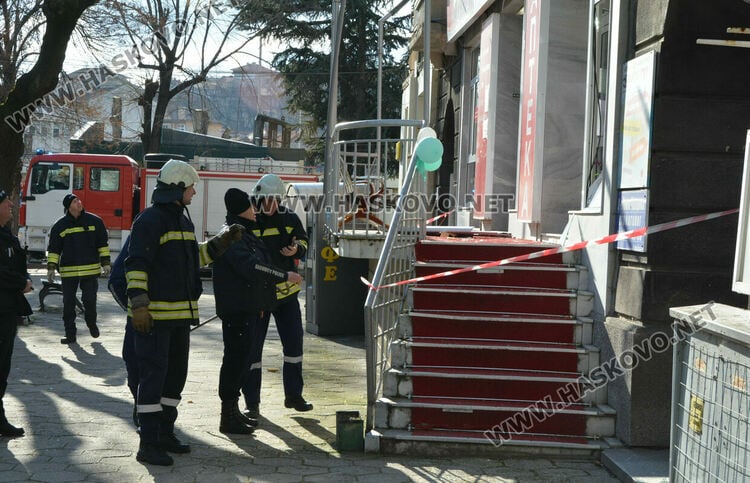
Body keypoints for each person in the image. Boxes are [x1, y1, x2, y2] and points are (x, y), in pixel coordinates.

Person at [125, 159, 243, 466]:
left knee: (174, 380)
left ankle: (165, 432)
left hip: (179, 319)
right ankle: (147, 444)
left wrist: (220, 244)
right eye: (190, 187)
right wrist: (139, 305)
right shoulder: (149, 221)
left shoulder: (182, 220)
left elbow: (193, 257)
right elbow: (136, 263)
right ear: (177, 188)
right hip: (154, 319)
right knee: (152, 380)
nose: (193, 193)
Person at [213, 188, 303, 434]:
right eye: (250, 207)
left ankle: (233, 414)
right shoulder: (232, 236)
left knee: (240, 361)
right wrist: (286, 275)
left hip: (249, 309)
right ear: (243, 210)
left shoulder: (242, 233)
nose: (256, 210)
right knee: (236, 363)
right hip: (238, 312)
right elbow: (254, 268)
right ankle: (229, 416)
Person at [242, 174, 311, 419]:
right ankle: (252, 404)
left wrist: (297, 249)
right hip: (259, 297)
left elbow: (303, 239)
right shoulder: (249, 221)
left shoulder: (289, 218)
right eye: (265, 199)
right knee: (253, 351)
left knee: (294, 345)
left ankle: (294, 395)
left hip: (287, 297)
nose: (269, 204)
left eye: (274, 199)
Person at [47, 194, 110, 344]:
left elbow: (102, 244)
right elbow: (54, 249)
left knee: (89, 301)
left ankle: (91, 323)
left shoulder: (95, 221)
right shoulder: (60, 226)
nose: (79, 203)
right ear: (69, 207)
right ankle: (70, 335)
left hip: (90, 271)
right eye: (75, 202)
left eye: (79, 200)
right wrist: (51, 268)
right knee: (68, 304)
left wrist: (106, 262)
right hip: (68, 272)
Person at [0, 190, 33, 437]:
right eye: (5, 201)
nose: (11, 204)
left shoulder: (6, 236)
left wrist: (26, 278)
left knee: (3, 365)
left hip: (7, 310)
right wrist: (20, 282)